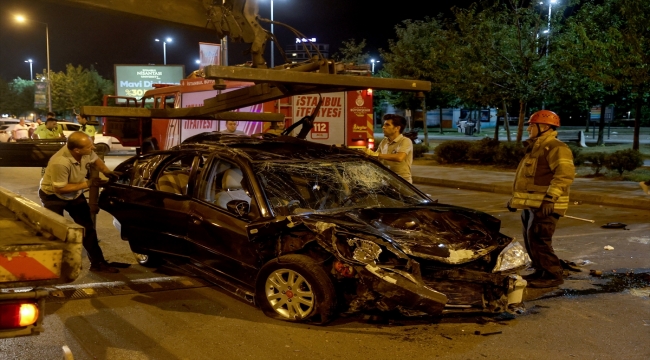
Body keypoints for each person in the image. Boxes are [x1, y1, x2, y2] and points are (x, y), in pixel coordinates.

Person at [506, 110, 575, 288]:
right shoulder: (535, 148)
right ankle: (541, 270)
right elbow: (528, 180)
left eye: (531, 125)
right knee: (530, 239)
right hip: (533, 205)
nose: (528, 128)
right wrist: (515, 201)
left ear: (543, 127)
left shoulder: (556, 147)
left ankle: (552, 275)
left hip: (546, 205)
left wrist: (551, 198)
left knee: (540, 240)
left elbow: (564, 175)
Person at [39, 131, 121, 273]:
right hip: (53, 197)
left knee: (87, 229)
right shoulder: (60, 162)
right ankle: (53, 268)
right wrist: (88, 183)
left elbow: (95, 159)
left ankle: (98, 263)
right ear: (77, 150)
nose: (93, 148)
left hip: (74, 194)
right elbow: (60, 189)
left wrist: (107, 171)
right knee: (56, 233)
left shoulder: (85, 151)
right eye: (89, 146)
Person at [364, 114, 413, 183]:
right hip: (385, 180)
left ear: (397, 128)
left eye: (387, 125)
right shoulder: (384, 141)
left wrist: (377, 154)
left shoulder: (405, 141)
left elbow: (399, 157)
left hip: (402, 182)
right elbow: (375, 157)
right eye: (384, 125)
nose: (383, 127)